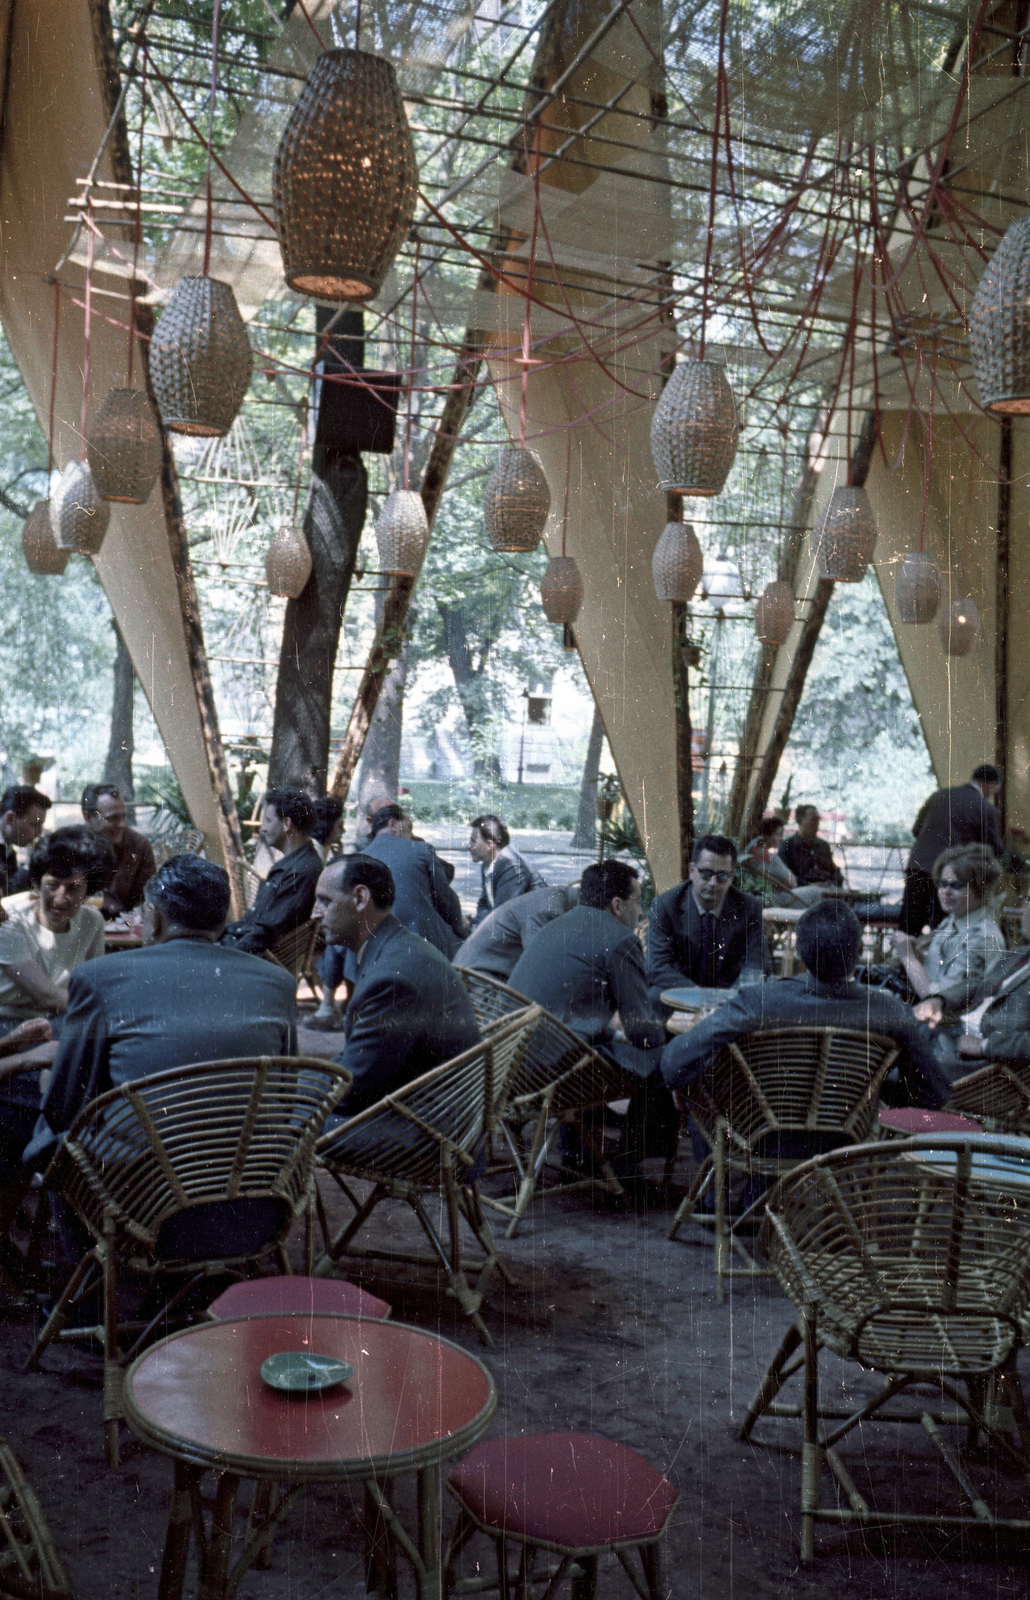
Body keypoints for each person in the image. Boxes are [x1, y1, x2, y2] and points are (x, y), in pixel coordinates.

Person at [28, 854, 298, 1165]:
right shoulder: (279, 982)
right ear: (223, 921)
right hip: (249, 1173)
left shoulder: (99, 978)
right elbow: (285, 1096)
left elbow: (65, 1108)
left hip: (144, 1185)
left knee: (49, 1133)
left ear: (154, 918)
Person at [662, 899, 949, 1110]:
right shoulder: (891, 1011)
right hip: (847, 1140)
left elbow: (674, 1064)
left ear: (800, 950)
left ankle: (717, 1191)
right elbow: (934, 1092)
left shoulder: (758, 1001)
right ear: (860, 952)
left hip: (760, 1135)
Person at [508, 860, 674, 1178]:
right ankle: (631, 1163)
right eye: (637, 901)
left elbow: (567, 1012)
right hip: (554, 1073)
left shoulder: (556, 925)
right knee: (660, 1061)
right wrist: (669, 1033)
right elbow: (643, 1032)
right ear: (617, 904)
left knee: (599, 1047)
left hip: (509, 1064)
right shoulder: (621, 940)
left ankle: (581, 1152)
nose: (639, 912)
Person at [311, 855, 479, 1116]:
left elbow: (354, 1090)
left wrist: (293, 1095)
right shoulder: (395, 946)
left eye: (325, 901)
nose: (314, 913)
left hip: (423, 1128)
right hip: (422, 1109)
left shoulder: (392, 978)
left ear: (360, 898)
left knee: (277, 1131)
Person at [0, 827, 113, 1032]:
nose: (60, 899)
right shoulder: (8, 917)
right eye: (53, 885)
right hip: (8, 1022)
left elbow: (96, 985)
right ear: (38, 881)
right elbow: (46, 997)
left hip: (63, 1018)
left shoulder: (92, 921)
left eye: (73, 888)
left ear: (89, 890)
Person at [913, 893, 1030, 1079]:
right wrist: (940, 1000)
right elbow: (979, 984)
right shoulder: (1019, 954)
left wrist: (984, 1046)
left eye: (1029, 901)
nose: (1023, 909)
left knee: (895, 1071)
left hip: (987, 1065)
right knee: (888, 1039)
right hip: (955, 1033)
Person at [646, 834, 766, 1007]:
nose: (713, 883)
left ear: (732, 875)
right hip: (682, 991)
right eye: (706, 873)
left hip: (730, 997)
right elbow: (657, 967)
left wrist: (732, 998)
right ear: (692, 871)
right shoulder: (666, 905)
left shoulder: (750, 908)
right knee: (654, 998)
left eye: (722, 876)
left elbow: (756, 964)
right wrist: (702, 997)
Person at [892, 845, 1005, 1005]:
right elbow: (941, 971)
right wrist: (917, 955)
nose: (946, 891)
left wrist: (909, 958)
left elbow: (938, 998)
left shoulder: (983, 938)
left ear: (981, 889)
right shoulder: (953, 920)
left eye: (956, 885)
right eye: (942, 884)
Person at [900, 765, 1003, 935]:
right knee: (944, 930)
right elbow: (994, 849)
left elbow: (916, 830)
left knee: (909, 926)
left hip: (918, 866)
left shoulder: (939, 795)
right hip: (949, 876)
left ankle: (902, 961)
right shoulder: (985, 808)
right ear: (991, 785)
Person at [222, 788, 322, 955]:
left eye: (268, 820)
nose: (262, 829)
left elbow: (265, 933)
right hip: (245, 947)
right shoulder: (297, 864)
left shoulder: (302, 871)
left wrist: (226, 954)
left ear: (286, 824)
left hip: (252, 960)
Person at [361, 803, 464, 959]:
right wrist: (462, 930)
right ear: (393, 824)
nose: (411, 834)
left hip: (374, 947)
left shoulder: (360, 857)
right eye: (409, 826)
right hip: (422, 942)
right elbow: (446, 900)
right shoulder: (421, 849)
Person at [455, 883, 576, 980]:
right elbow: (541, 966)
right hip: (478, 988)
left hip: (475, 976)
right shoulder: (548, 910)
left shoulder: (556, 897)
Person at [81, 783, 155, 918]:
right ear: (88, 817)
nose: (122, 824)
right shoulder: (72, 847)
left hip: (123, 928)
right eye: (113, 818)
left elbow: (146, 899)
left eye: (124, 816)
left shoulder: (139, 846)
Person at [468, 815, 546, 929]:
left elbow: (502, 915)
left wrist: (476, 929)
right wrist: (475, 925)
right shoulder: (488, 861)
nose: (468, 846)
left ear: (490, 845)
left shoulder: (511, 866)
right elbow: (485, 903)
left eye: (473, 841)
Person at [739, 816, 825, 908]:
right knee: (816, 892)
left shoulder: (748, 854)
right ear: (766, 836)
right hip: (773, 901)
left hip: (758, 899)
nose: (781, 838)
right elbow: (792, 883)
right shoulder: (769, 857)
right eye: (778, 834)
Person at [0, 785, 51, 897]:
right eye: (34, 825)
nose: (38, 833)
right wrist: (30, 865)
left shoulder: (8, 851)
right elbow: (4, 895)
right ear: (10, 818)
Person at [778, 805, 844, 888]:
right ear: (800, 821)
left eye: (818, 820)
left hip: (827, 889)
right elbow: (785, 875)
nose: (817, 824)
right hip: (803, 892)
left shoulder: (823, 845)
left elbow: (835, 872)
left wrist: (833, 883)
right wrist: (809, 885)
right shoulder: (787, 846)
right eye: (813, 820)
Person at [311, 795, 345, 862]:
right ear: (327, 826)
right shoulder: (314, 854)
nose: (344, 831)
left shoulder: (319, 848)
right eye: (339, 826)